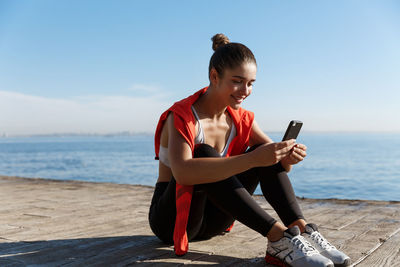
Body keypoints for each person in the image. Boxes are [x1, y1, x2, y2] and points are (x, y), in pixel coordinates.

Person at [148, 33, 350, 267]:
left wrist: (288, 156)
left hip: (215, 221)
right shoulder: (182, 116)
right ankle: (277, 237)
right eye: (237, 81)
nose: (245, 90)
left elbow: (275, 164)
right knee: (203, 153)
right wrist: (254, 159)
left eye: (251, 83)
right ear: (215, 77)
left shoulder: (242, 118)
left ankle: (302, 230)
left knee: (265, 148)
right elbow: (183, 173)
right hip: (172, 220)